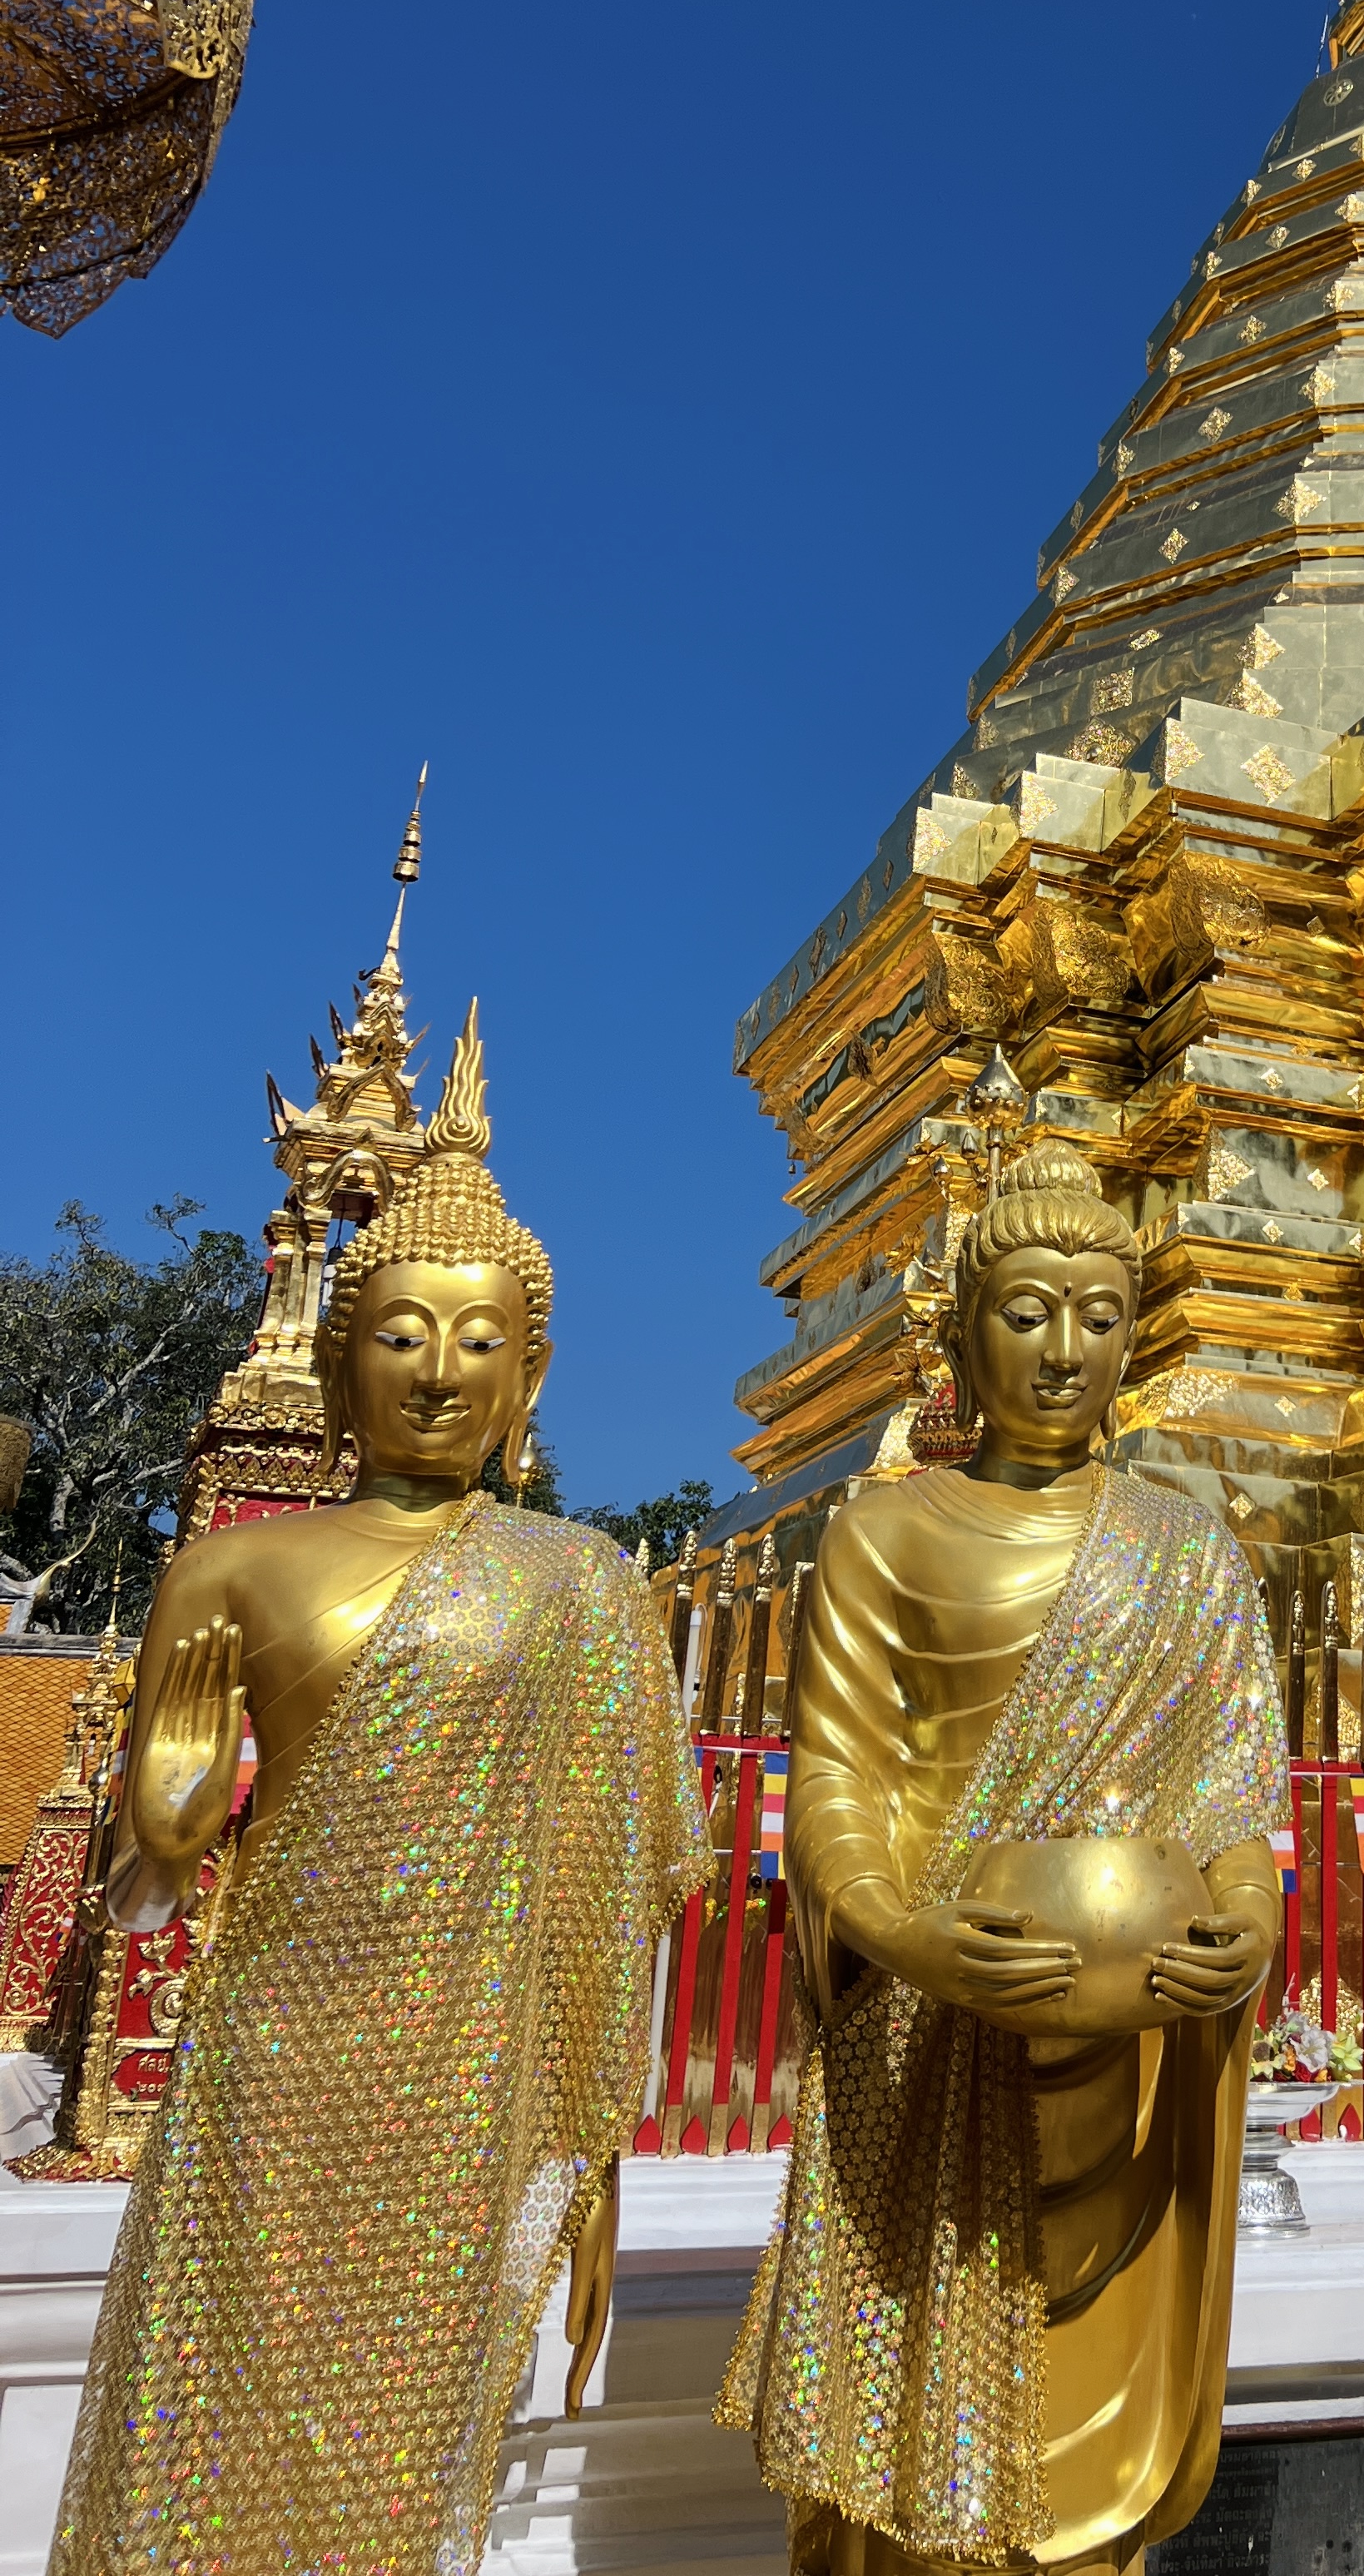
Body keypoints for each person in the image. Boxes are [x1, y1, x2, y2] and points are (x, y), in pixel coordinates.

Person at [52, 1009, 708, 2576]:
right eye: (401, 1331)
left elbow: (637, 1870)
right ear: (342, 1352)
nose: (438, 1370)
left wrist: (594, 2133)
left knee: (402, 2452)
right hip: (271, 2054)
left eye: (480, 1338)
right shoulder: (233, 1563)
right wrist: (172, 1775)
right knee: (208, 2419)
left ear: (529, 1371)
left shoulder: (583, 1578)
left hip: (465, 2074)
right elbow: (156, 1858)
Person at [721, 1136, 1287, 2576]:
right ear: (960, 1332)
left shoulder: (1183, 1546)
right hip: (927, 2026)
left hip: (1131, 2045)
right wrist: (904, 1935)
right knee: (909, 2478)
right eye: (1026, 1310)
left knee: (1078, 2494)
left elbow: (1229, 1795)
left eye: (1098, 1315)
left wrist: (1242, 1915)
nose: (1061, 1349)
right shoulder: (886, 1528)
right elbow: (838, 1780)